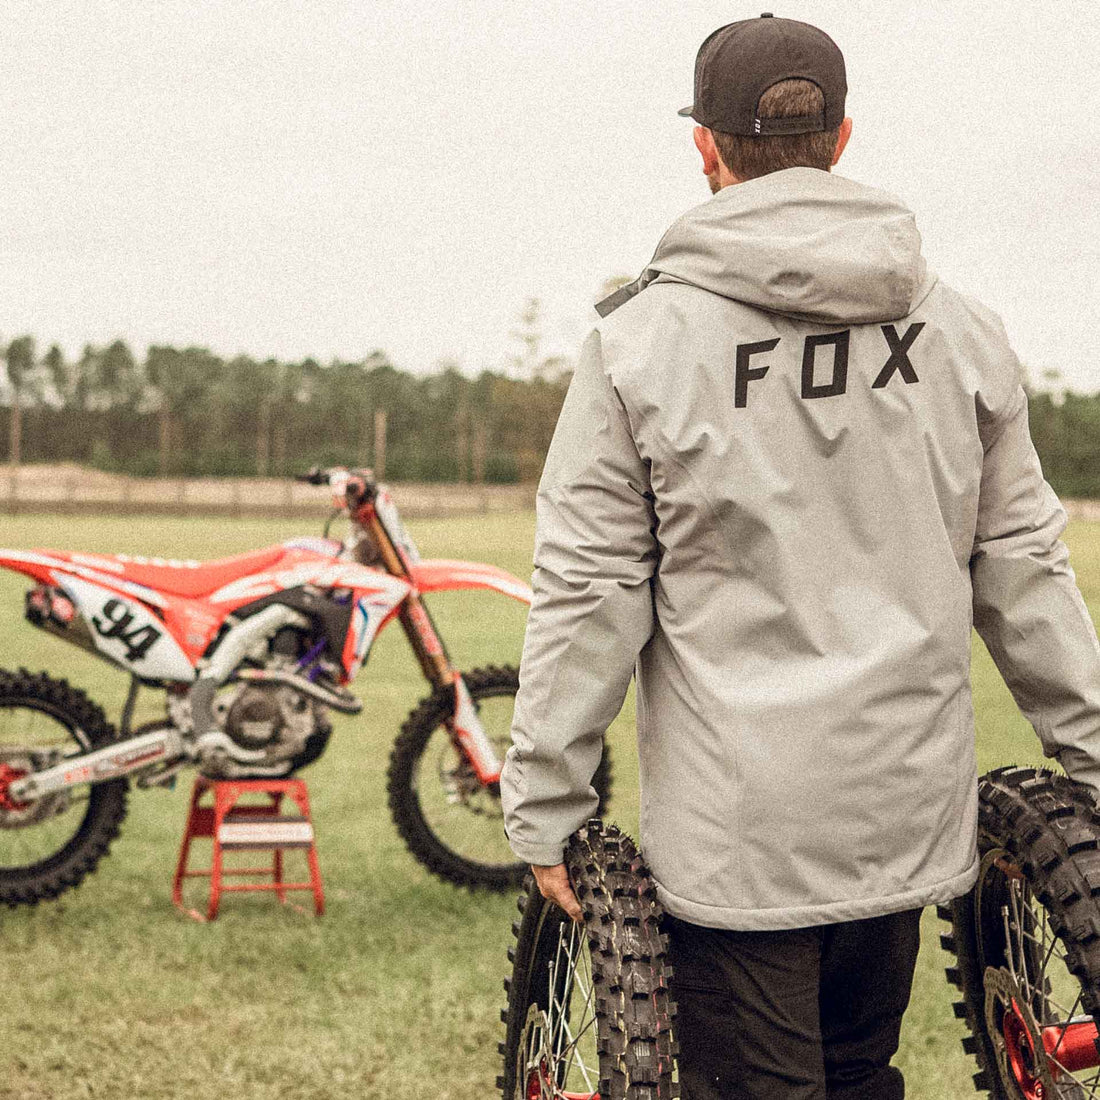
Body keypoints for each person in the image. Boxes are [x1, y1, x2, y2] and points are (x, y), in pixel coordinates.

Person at [500, 13, 1100, 1099]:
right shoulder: (964, 332)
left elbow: (588, 591)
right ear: (841, 138)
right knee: (857, 1071)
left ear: (705, 148)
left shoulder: (637, 345)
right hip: (902, 813)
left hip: (739, 839)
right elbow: (1024, 572)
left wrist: (545, 800)